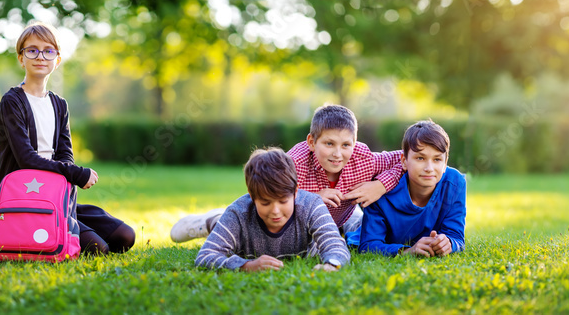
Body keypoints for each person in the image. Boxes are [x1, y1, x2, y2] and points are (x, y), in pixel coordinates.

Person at [0, 22, 134, 255]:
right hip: (25, 202)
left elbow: (65, 153)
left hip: (57, 197)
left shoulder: (59, 105)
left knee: (125, 236)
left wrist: (68, 176)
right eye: (32, 50)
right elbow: (26, 158)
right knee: (99, 249)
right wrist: (77, 174)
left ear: (57, 60)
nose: (40, 56)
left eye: (48, 51)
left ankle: (68, 217)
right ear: (21, 58)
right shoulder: (12, 102)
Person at [172, 104, 403, 242]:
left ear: (355, 142)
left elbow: (403, 159)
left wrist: (380, 185)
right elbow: (268, 191)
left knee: (365, 228)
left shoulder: (362, 157)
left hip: (343, 217)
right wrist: (310, 199)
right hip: (292, 221)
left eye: (346, 145)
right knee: (254, 233)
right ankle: (213, 221)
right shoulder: (294, 162)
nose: (338, 154)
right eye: (329, 144)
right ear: (312, 142)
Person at [195, 148, 349, 272]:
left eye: (283, 201)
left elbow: (334, 243)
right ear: (252, 197)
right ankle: (212, 221)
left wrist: (331, 264)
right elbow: (205, 256)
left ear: (295, 192)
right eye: (265, 203)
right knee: (221, 224)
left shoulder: (311, 204)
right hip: (231, 223)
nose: (275, 211)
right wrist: (246, 266)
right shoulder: (238, 212)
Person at [359, 120, 466, 257]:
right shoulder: (380, 190)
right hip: (360, 225)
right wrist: (407, 251)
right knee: (354, 222)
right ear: (404, 161)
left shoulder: (456, 183)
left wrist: (449, 244)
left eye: (437, 160)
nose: (429, 168)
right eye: (420, 158)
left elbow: (456, 237)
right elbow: (368, 245)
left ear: (445, 163)